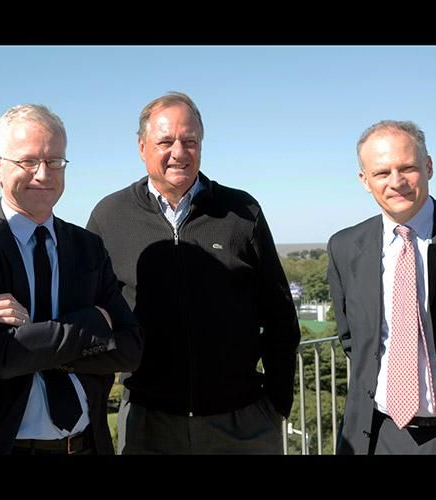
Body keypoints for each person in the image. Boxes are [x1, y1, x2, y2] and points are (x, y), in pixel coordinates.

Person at [86, 92, 300, 454]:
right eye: (165, 141)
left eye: (190, 141)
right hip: (149, 425)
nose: (179, 152)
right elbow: (91, 315)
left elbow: (280, 315)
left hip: (242, 423)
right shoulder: (110, 216)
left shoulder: (241, 211)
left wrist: (276, 403)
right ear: (142, 147)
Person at [0, 104, 142, 455]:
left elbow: (129, 350)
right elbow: (5, 356)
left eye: (55, 161)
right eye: (28, 161)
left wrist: (37, 332)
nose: (43, 174)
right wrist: (93, 323)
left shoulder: (87, 246)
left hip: (84, 445)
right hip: (3, 447)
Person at [327, 120, 436, 454]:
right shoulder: (345, 247)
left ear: (429, 166)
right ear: (364, 180)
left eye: (408, 168)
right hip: (377, 438)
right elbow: (353, 341)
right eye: (381, 173)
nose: (397, 183)